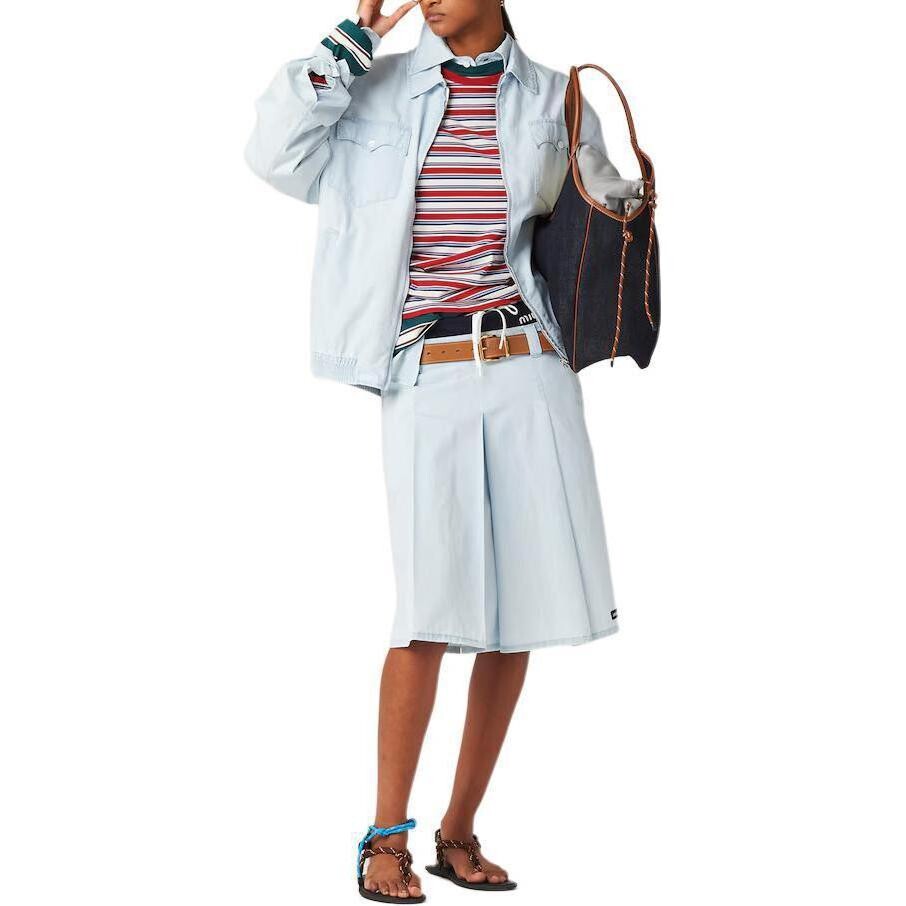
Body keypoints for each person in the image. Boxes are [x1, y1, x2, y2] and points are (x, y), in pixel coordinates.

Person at [245, 1, 643, 900]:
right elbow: (272, 155)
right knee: (428, 609)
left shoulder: (555, 97)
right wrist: (350, 43)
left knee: (522, 610)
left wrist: (627, 204)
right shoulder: (372, 88)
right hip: (425, 372)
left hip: (531, 365)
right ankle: (384, 836)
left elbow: (596, 209)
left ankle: (457, 830)